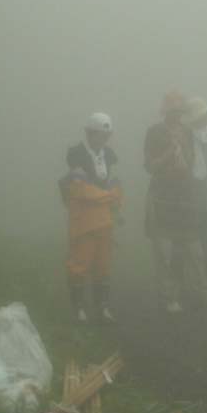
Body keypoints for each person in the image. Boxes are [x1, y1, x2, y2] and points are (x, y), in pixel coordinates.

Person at [144, 91, 207, 313]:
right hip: (162, 196)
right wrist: (169, 153)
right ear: (166, 112)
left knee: (195, 249)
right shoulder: (154, 132)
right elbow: (149, 166)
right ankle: (169, 297)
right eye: (173, 111)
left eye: (180, 112)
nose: (176, 115)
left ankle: (204, 293)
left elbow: (194, 163)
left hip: (185, 196)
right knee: (164, 250)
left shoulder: (188, 133)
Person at [62, 112, 123, 323]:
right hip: (84, 219)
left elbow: (114, 185)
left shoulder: (109, 155)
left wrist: (111, 199)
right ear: (89, 133)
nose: (104, 139)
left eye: (107, 135)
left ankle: (102, 305)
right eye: (100, 134)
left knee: (103, 262)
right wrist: (108, 196)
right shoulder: (76, 154)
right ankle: (78, 307)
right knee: (80, 261)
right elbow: (80, 189)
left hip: (105, 219)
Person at [177, 96, 207, 293]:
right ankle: (191, 284)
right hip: (191, 195)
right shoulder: (184, 136)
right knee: (190, 242)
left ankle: (203, 285)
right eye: (204, 115)